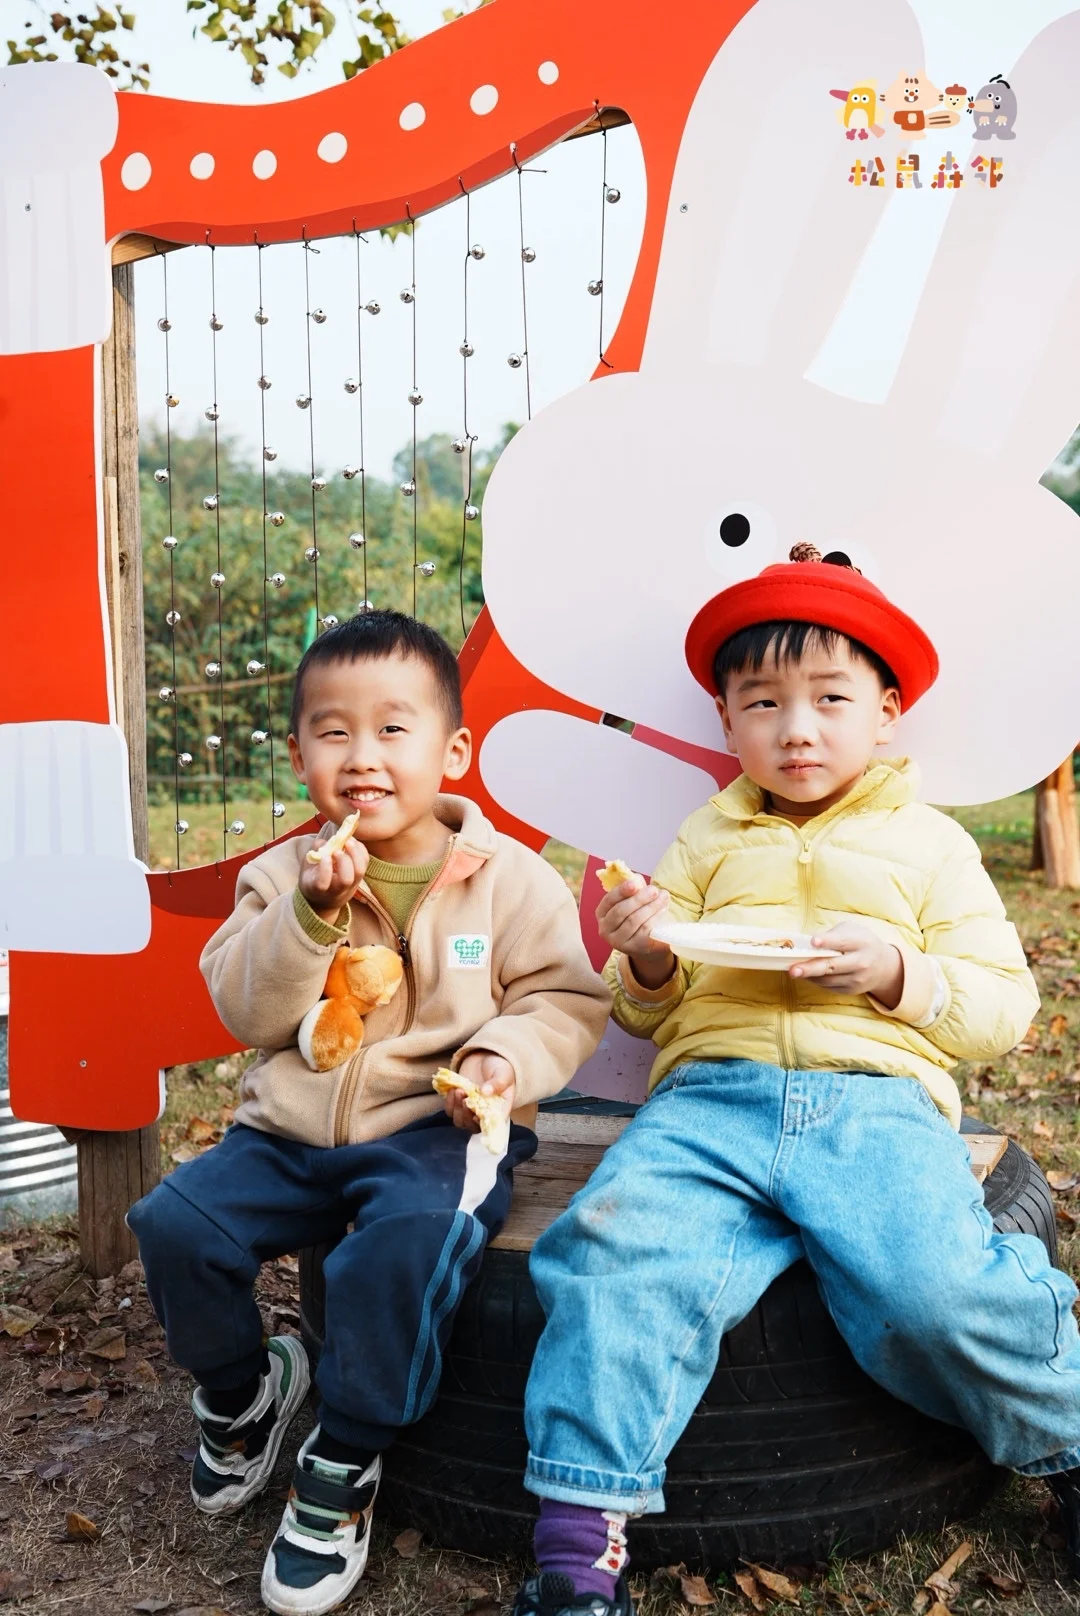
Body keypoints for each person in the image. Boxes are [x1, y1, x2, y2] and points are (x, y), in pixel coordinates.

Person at [510, 547, 1080, 1616]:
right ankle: (575, 1549)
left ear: (888, 711)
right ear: (728, 724)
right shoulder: (704, 837)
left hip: (875, 1103)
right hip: (705, 1106)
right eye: (762, 702)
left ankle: (1068, 1443)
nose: (797, 728)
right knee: (612, 1258)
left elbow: (1005, 1004)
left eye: (829, 698)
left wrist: (899, 973)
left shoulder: (931, 846)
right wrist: (641, 952)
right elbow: (643, 1007)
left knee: (933, 1290)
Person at [129, 610, 610, 1616]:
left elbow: (565, 998)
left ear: (454, 751)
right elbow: (246, 1009)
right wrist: (307, 917)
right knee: (174, 1222)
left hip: (439, 1128)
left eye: (395, 729)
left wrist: (500, 1057)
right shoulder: (277, 877)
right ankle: (241, 1393)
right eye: (333, 730)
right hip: (290, 1126)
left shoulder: (507, 876)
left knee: (402, 1248)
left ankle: (343, 1460)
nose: (363, 755)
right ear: (300, 752)